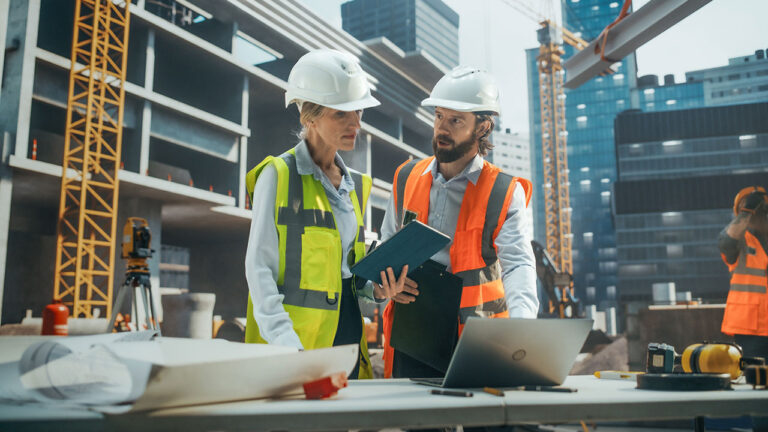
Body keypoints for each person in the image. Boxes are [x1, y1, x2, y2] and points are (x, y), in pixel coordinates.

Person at [244, 49, 409, 379]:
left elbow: (347, 274)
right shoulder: (277, 175)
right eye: (341, 114)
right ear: (309, 116)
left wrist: (376, 289)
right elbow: (259, 270)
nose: (355, 123)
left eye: (358, 111)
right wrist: (286, 345)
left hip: (347, 338)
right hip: (294, 344)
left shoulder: (356, 187)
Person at [380, 66, 539, 378]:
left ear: (482, 128)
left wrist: (522, 332)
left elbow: (518, 265)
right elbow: (387, 248)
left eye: (455, 120)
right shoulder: (406, 177)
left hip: (479, 337)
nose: (442, 128)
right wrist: (386, 285)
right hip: (414, 331)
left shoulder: (504, 191)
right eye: (439, 116)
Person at [718, 186, 768, 360]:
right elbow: (725, 243)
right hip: (749, 330)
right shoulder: (741, 242)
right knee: (754, 378)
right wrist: (747, 211)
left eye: (757, 208)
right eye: (745, 210)